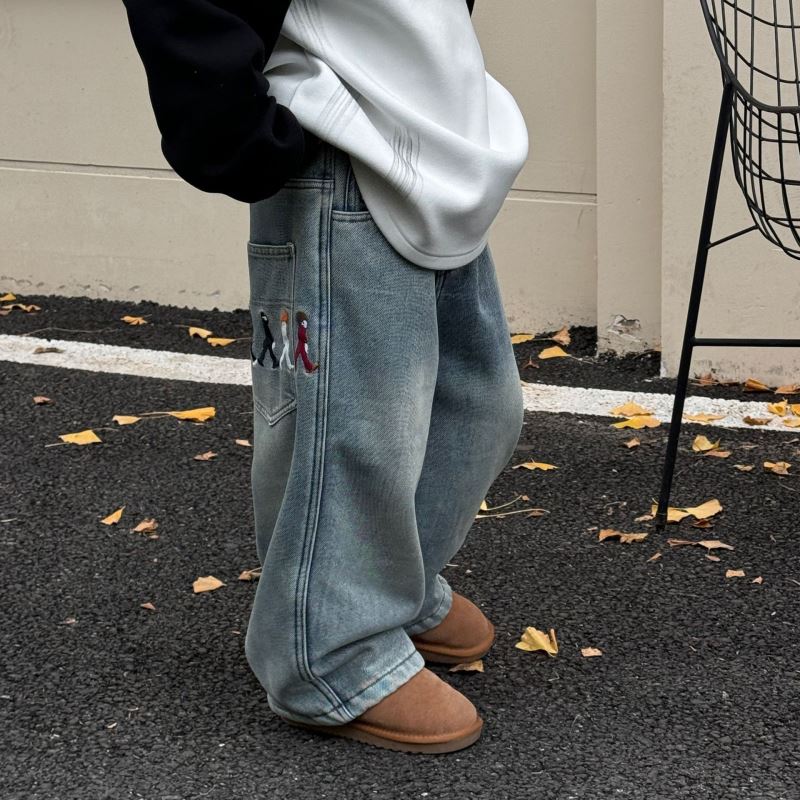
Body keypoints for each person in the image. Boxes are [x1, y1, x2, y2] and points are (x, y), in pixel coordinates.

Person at [122, 0, 528, 754]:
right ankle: (326, 651)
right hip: (341, 144)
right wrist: (244, 133)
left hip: (431, 135)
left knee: (477, 407)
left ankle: (388, 590)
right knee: (349, 425)